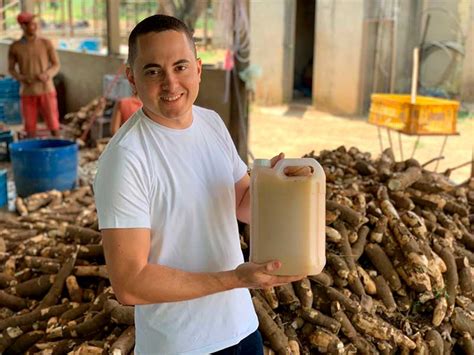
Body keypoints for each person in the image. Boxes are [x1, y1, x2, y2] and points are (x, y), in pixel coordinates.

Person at [94, 15, 303, 354]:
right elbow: (129, 284)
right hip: (181, 343)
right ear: (132, 79)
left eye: (180, 67)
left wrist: (277, 189)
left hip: (241, 326)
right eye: (153, 71)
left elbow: (242, 204)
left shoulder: (211, 123)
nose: (171, 83)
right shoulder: (125, 159)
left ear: (199, 68)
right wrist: (237, 278)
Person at [8, 11, 60, 138]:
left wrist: (47, 75)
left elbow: (56, 64)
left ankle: (58, 148)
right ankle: (32, 153)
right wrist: (22, 78)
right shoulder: (15, 47)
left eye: (35, 23)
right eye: (31, 24)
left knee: (54, 124)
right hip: (27, 91)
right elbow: (11, 69)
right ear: (23, 26)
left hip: (46, 89)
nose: (34, 26)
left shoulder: (46, 43)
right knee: (30, 127)